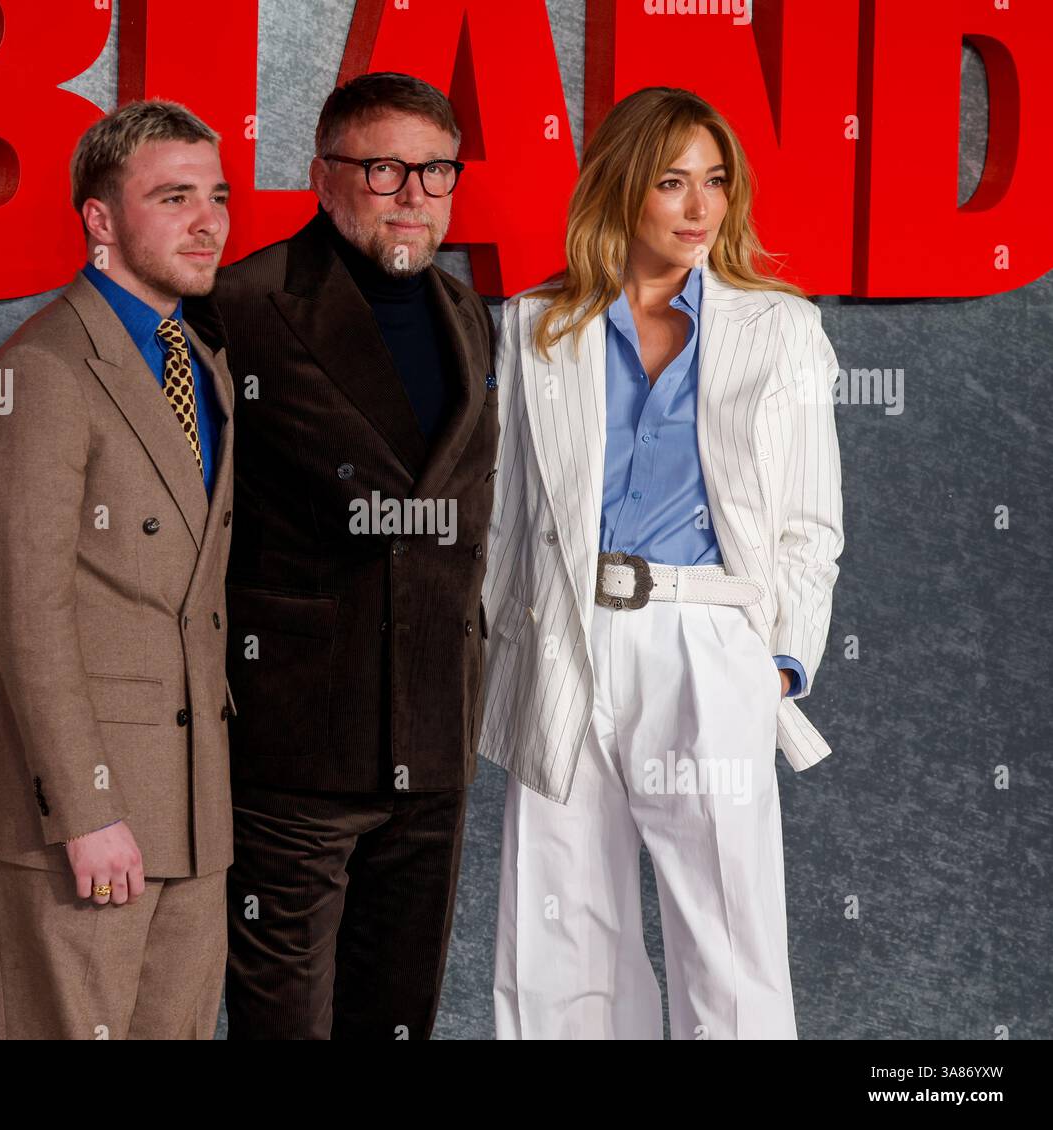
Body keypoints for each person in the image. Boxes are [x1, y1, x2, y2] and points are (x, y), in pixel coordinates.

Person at [482, 86, 844, 1039]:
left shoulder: (781, 329)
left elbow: (812, 523)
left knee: (730, 936)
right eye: (672, 182)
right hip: (565, 635)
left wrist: (773, 666)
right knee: (557, 930)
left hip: (707, 639)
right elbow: (506, 520)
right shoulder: (534, 326)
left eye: (716, 182)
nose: (700, 207)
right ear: (621, 188)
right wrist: (499, 653)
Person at [211, 72, 498, 1040]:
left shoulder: (469, 314)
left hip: (431, 731)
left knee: (398, 1014)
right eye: (382, 169)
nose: (412, 192)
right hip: (295, 737)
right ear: (322, 176)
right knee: (284, 1018)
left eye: (434, 171)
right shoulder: (239, 304)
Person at [0, 99, 236, 1039]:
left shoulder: (200, 361)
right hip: (81, 811)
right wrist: (87, 810)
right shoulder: (39, 370)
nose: (209, 221)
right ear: (100, 220)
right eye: (174, 197)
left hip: (193, 812)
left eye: (217, 195)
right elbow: (27, 615)